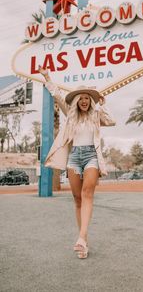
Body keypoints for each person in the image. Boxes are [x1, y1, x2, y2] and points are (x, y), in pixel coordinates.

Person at [38, 66, 116, 259]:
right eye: (80, 98)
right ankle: (84, 241)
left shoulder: (96, 115)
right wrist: (47, 76)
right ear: (76, 101)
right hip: (74, 157)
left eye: (86, 98)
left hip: (91, 156)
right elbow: (56, 94)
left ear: (90, 101)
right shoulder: (70, 116)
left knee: (87, 193)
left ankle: (80, 238)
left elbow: (111, 120)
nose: (83, 101)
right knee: (77, 199)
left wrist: (102, 104)